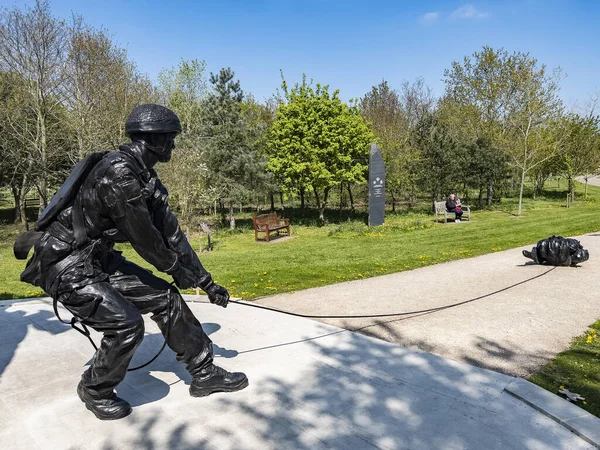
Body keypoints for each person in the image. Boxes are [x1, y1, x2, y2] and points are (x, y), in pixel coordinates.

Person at [14, 104, 248, 421]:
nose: (174, 145)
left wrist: (206, 283)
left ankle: (204, 373)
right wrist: (177, 271)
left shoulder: (145, 178)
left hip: (97, 260)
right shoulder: (118, 176)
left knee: (166, 297)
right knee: (126, 325)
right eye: (171, 138)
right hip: (65, 264)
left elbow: (174, 236)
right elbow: (147, 242)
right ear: (156, 139)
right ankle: (95, 389)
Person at [523, 236, 589, 266]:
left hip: (553, 252)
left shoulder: (568, 261)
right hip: (550, 247)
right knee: (545, 251)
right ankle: (535, 255)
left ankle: (534, 255)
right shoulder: (573, 244)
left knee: (546, 258)